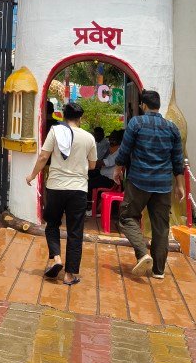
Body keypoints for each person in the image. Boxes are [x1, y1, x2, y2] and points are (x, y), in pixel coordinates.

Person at [114, 90, 185, 279]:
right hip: (163, 185)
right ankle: (158, 270)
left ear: (143, 105)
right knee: (161, 227)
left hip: (139, 181)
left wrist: (118, 169)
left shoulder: (136, 123)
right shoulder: (172, 128)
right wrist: (180, 185)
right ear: (158, 106)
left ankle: (142, 253)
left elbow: (124, 150)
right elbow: (177, 160)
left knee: (126, 217)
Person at [26, 102, 97, 286]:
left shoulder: (55, 132)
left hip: (56, 187)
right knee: (75, 231)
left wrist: (32, 176)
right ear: (80, 118)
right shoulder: (89, 138)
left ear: (64, 116)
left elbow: (43, 156)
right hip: (78, 190)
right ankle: (69, 275)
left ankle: (56, 258)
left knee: (52, 224)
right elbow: (92, 165)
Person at [89, 130, 123, 197]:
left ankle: (90, 201)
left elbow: (106, 163)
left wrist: (90, 162)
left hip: (110, 180)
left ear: (119, 140)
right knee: (89, 175)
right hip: (104, 175)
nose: (110, 141)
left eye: (113, 139)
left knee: (88, 183)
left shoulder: (120, 151)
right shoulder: (114, 149)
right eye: (110, 139)